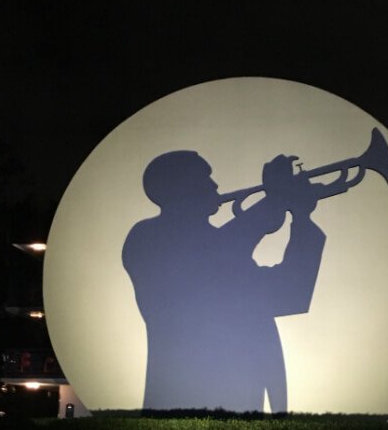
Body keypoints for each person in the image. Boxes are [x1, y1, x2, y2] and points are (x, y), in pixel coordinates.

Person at [121, 150, 326, 412]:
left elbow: (288, 294)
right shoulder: (148, 238)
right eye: (205, 178)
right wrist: (273, 200)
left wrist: (302, 218)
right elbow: (211, 253)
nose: (214, 186)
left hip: (245, 391)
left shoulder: (226, 253)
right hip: (186, 389)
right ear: (180, 187)